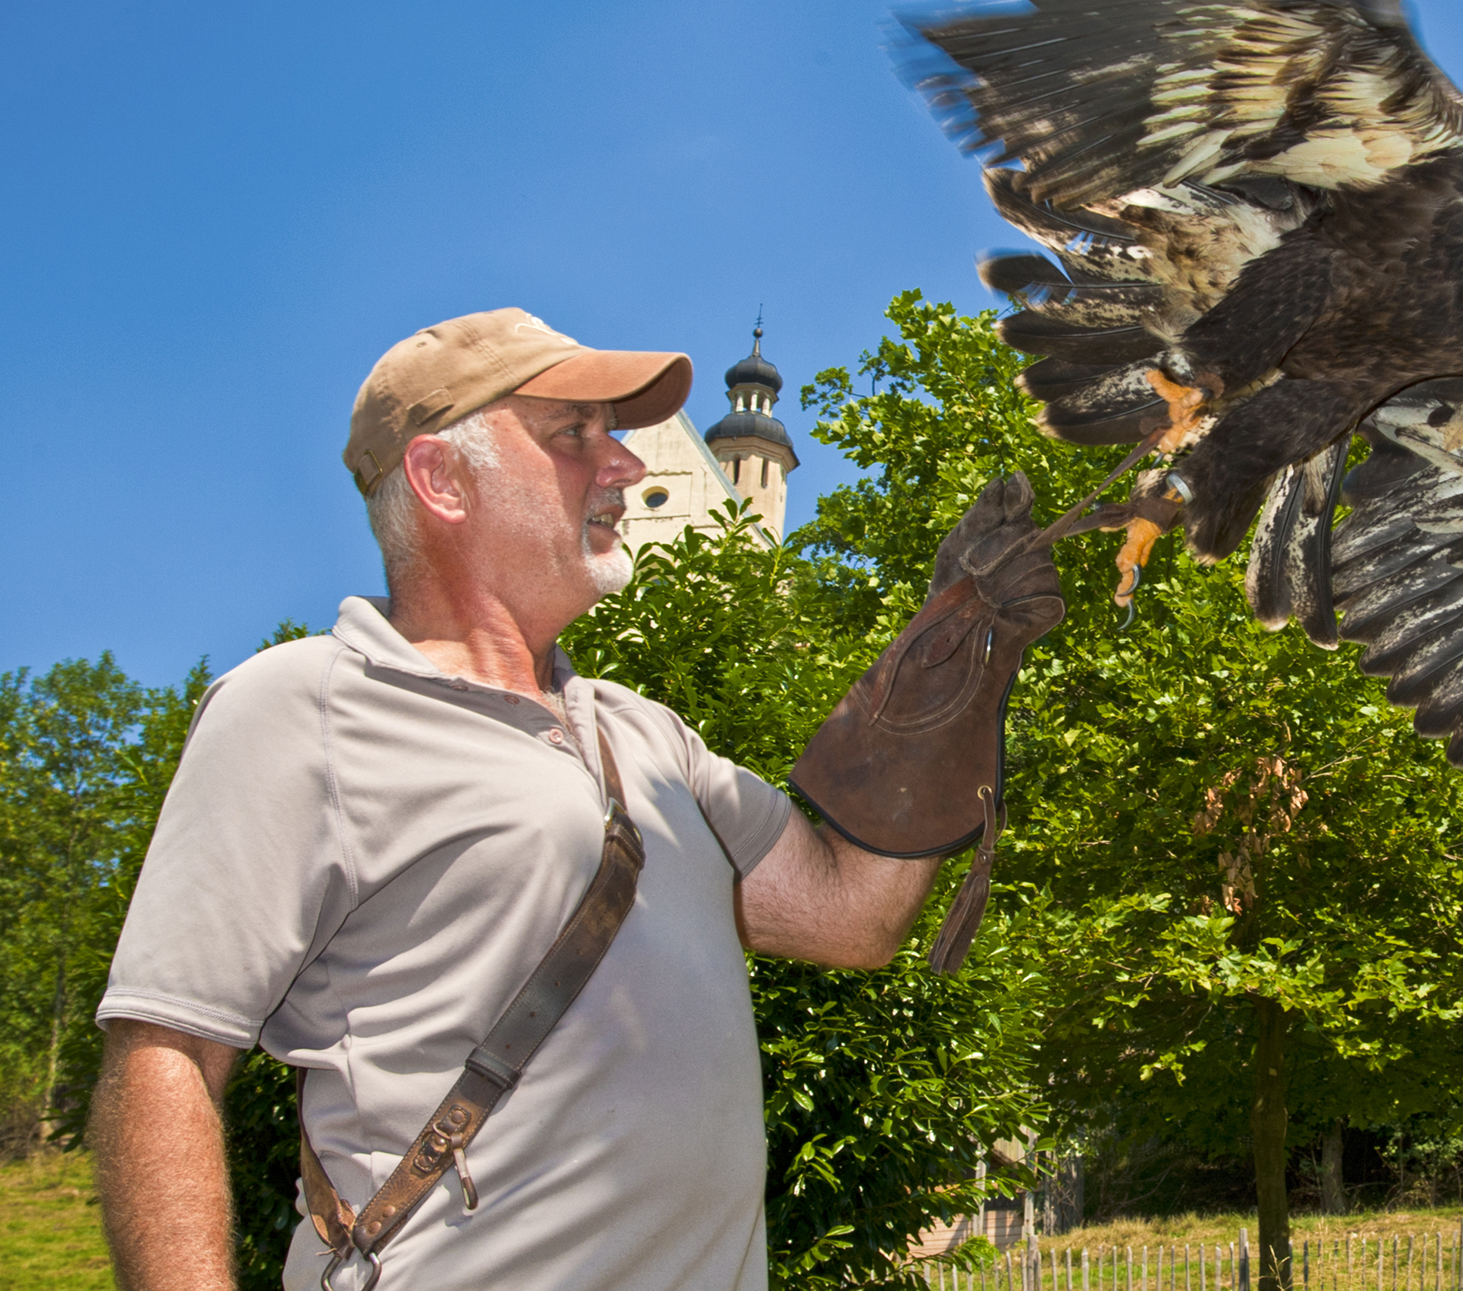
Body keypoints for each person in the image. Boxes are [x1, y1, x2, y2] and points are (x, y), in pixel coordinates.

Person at [87, 308, 1060, 1291]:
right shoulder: (306, 708)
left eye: (620, 433)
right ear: (441, 478)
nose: (628, 465)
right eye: (574, 435)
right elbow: (163, 1054)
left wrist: (955, 659)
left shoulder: (649, 738)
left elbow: (856, 916)